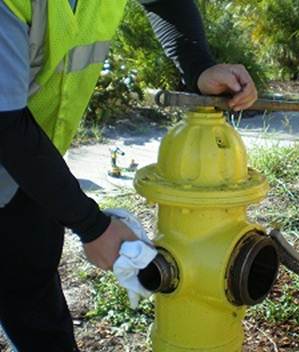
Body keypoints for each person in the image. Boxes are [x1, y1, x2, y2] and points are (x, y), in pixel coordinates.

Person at [0, 0, 257, 350]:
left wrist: (199, 68)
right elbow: (5, 127)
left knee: (39, 317)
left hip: (29, 171)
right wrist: (91, 225)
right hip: (17, 146)